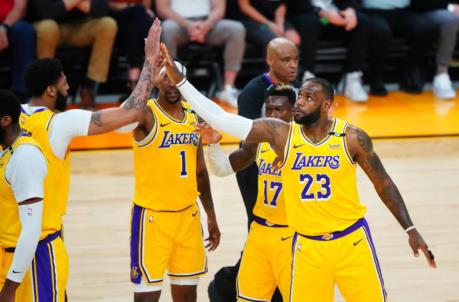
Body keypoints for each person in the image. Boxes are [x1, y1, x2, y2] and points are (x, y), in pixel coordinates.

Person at [161, 44, 437, 301]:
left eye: (308, 98)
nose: (300, 102)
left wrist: (410, 228)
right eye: (300, 95)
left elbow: (383, 183)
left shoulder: (351, 138)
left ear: (326, 106)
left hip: (351, 241)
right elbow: (221, 118)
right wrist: (182, 82)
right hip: (306, 247)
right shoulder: (279, 134)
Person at [15, 20, 161, 299]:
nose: (68, 87)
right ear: (50, 91)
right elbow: (129, 112)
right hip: (40, 241)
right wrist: (150, 63)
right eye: (64, 82)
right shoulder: (60, 123)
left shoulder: (13, 114)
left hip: (9, 235)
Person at [117, 59, 220, 302]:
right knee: (146, 298)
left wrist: (212, 216)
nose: (172, 83)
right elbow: (121, 121)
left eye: (177, 78)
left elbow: (201, 172)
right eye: (166, 77)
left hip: (188, 218)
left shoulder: (194, 117)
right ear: (156, 80)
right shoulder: (145, 113)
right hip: (152, 219)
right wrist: (145, 78)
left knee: (187, 296)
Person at [201, 84, 295, 301]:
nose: (273, 115)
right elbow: (223, 168)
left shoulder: (304, 141)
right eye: (269, 110)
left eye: (279, 110)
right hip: (260, 232)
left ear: (293, 111)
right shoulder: (257, 141)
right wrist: (214, 145)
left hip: (293, 234)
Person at [237, 37, 298, 230]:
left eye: (296, 59)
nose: (293, 65)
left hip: (283, 163)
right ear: (270, 60)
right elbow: (247, 133)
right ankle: (246, 261)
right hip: (253, 165)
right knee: (257, 221)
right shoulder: (253, 91)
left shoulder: (298, 88)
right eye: (286, 60)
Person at [0, 90, 47, 301]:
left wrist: (10, 288)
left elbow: (31, 229)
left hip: (20, 266)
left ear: (6, 120)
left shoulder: (24, 157)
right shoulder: (6, 149)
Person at [28, 0, 118, 109]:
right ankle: (45, 89)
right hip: (49, 25)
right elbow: (45, 11)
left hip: (79, 26)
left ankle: (89, 89)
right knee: (48, 28)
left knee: (108, 24)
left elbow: (102, 9)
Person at [156, 0, 246, 106]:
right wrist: (187, 24)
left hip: (207, 22)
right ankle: (172, 87)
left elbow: (219, 8)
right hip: (177, 22)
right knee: (168, 28)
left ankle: (227, 88)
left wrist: (207, 25)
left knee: (236, 29)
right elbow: (162, 9)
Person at [286, 0, 369, 102]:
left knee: (361, 20)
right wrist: (322, 13)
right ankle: (308, 79)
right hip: (309, 14)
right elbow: (295, 6)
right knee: (310, 22)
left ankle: (352, 79)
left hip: (335, 16)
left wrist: (350, 10)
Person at [363, 0, 438, 96]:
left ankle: (407, 69)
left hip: (403, 11)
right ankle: (376, 76)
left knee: (428, 29)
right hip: (373, 11)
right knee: (381, 31)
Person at [411, 0, 459, 100]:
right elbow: (419, 3)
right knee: (451, 20)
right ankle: (441, 74)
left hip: (449, 9)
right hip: (426, 11)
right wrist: (451, 7)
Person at [108, 0, 154, 100]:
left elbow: (147, 3)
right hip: (112, 22)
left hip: (135, 23)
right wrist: (131, 6)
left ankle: (134, 83)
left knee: (133, 29)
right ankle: (153, 68)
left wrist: (144, 9)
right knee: (139, 11)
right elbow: (105, 4)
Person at [0, 0, 36, 100]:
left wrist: (4, 28)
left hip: (9, 25)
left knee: (24, 30)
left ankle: (21, 94)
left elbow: (19, 9)